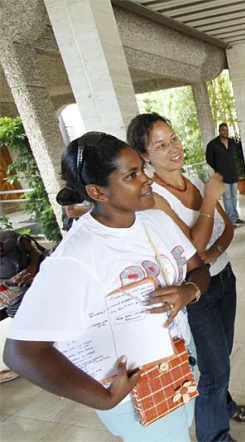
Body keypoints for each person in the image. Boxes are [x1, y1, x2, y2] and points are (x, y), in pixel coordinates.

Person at [3, 132, 211, 441]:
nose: (147, 179)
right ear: (97, 192)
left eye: (141, 168)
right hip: (135, 390)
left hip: (180, 359)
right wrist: (104, 398)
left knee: (183, 430)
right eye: (132, 175)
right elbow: (21, 352)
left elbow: (199, 271)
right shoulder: (76, 257)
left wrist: (186, 292)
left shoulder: (156, 221)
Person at [127, 113, 245, 442]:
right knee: (214, 370)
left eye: (173, 138)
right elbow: (191, 247)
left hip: (225, 278)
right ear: (144, 156)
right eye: (160, 145)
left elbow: (226, 229)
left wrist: (211, 254)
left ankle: (223, 404)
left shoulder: (196, 182)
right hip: (197, 294)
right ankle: (216, 437)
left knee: (220, 357)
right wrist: (211, 199)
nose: (173, 148)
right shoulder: (154, 196)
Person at [206, 123, 245, 226]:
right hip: (223, 176)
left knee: (234, 197)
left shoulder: (231, 142)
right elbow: (209, 159)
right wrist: (219, 169)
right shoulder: (213, 144)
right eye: (223, 130)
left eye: (227, 130)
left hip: (233, 174)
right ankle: (231, 221)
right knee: (227, 199)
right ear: (219, 131)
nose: (225, 132)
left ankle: (235, 217)